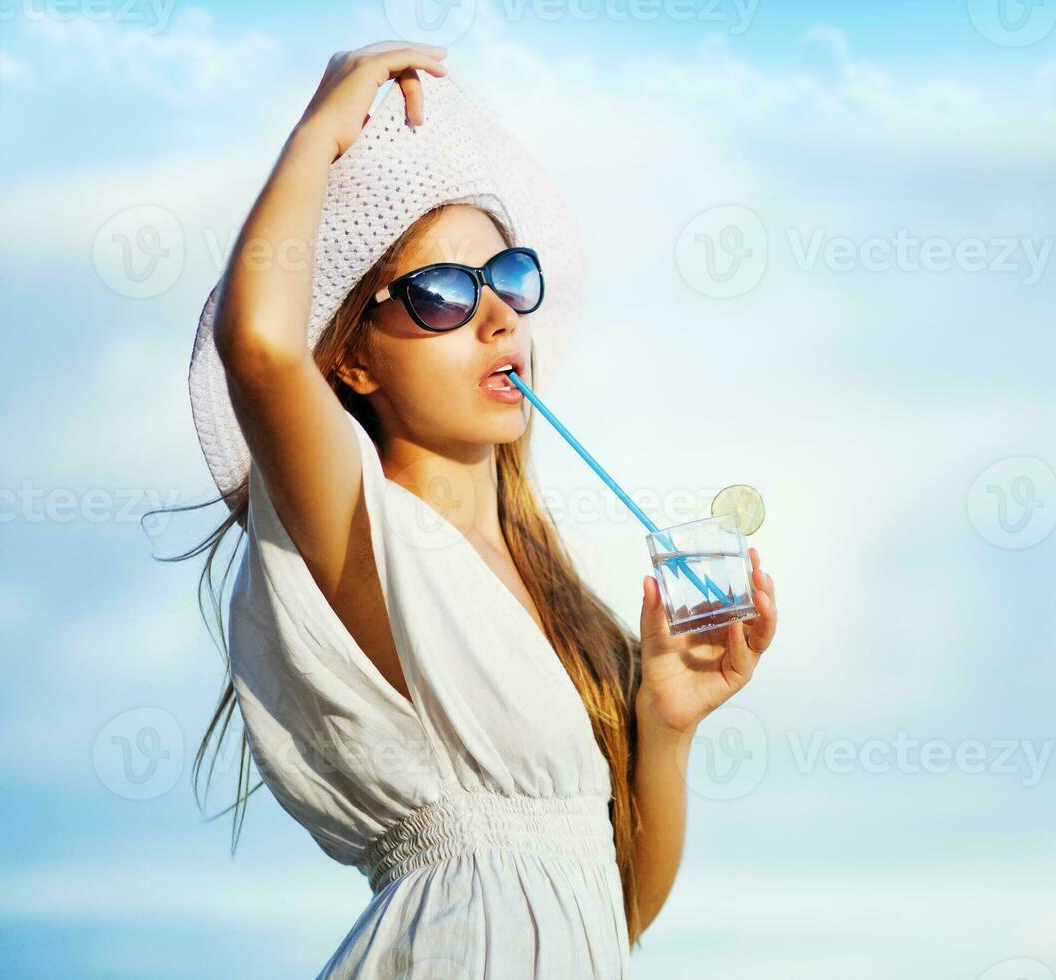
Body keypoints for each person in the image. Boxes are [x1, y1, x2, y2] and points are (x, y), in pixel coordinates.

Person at [178, 42, 778, 978]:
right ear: (355, 361)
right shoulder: (363, 529)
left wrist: (666, 727)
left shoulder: (562, 594)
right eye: (442, 294)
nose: (496, 315)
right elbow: (256, 343)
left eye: (507, 278)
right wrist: (321, 132)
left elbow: (611, 913)